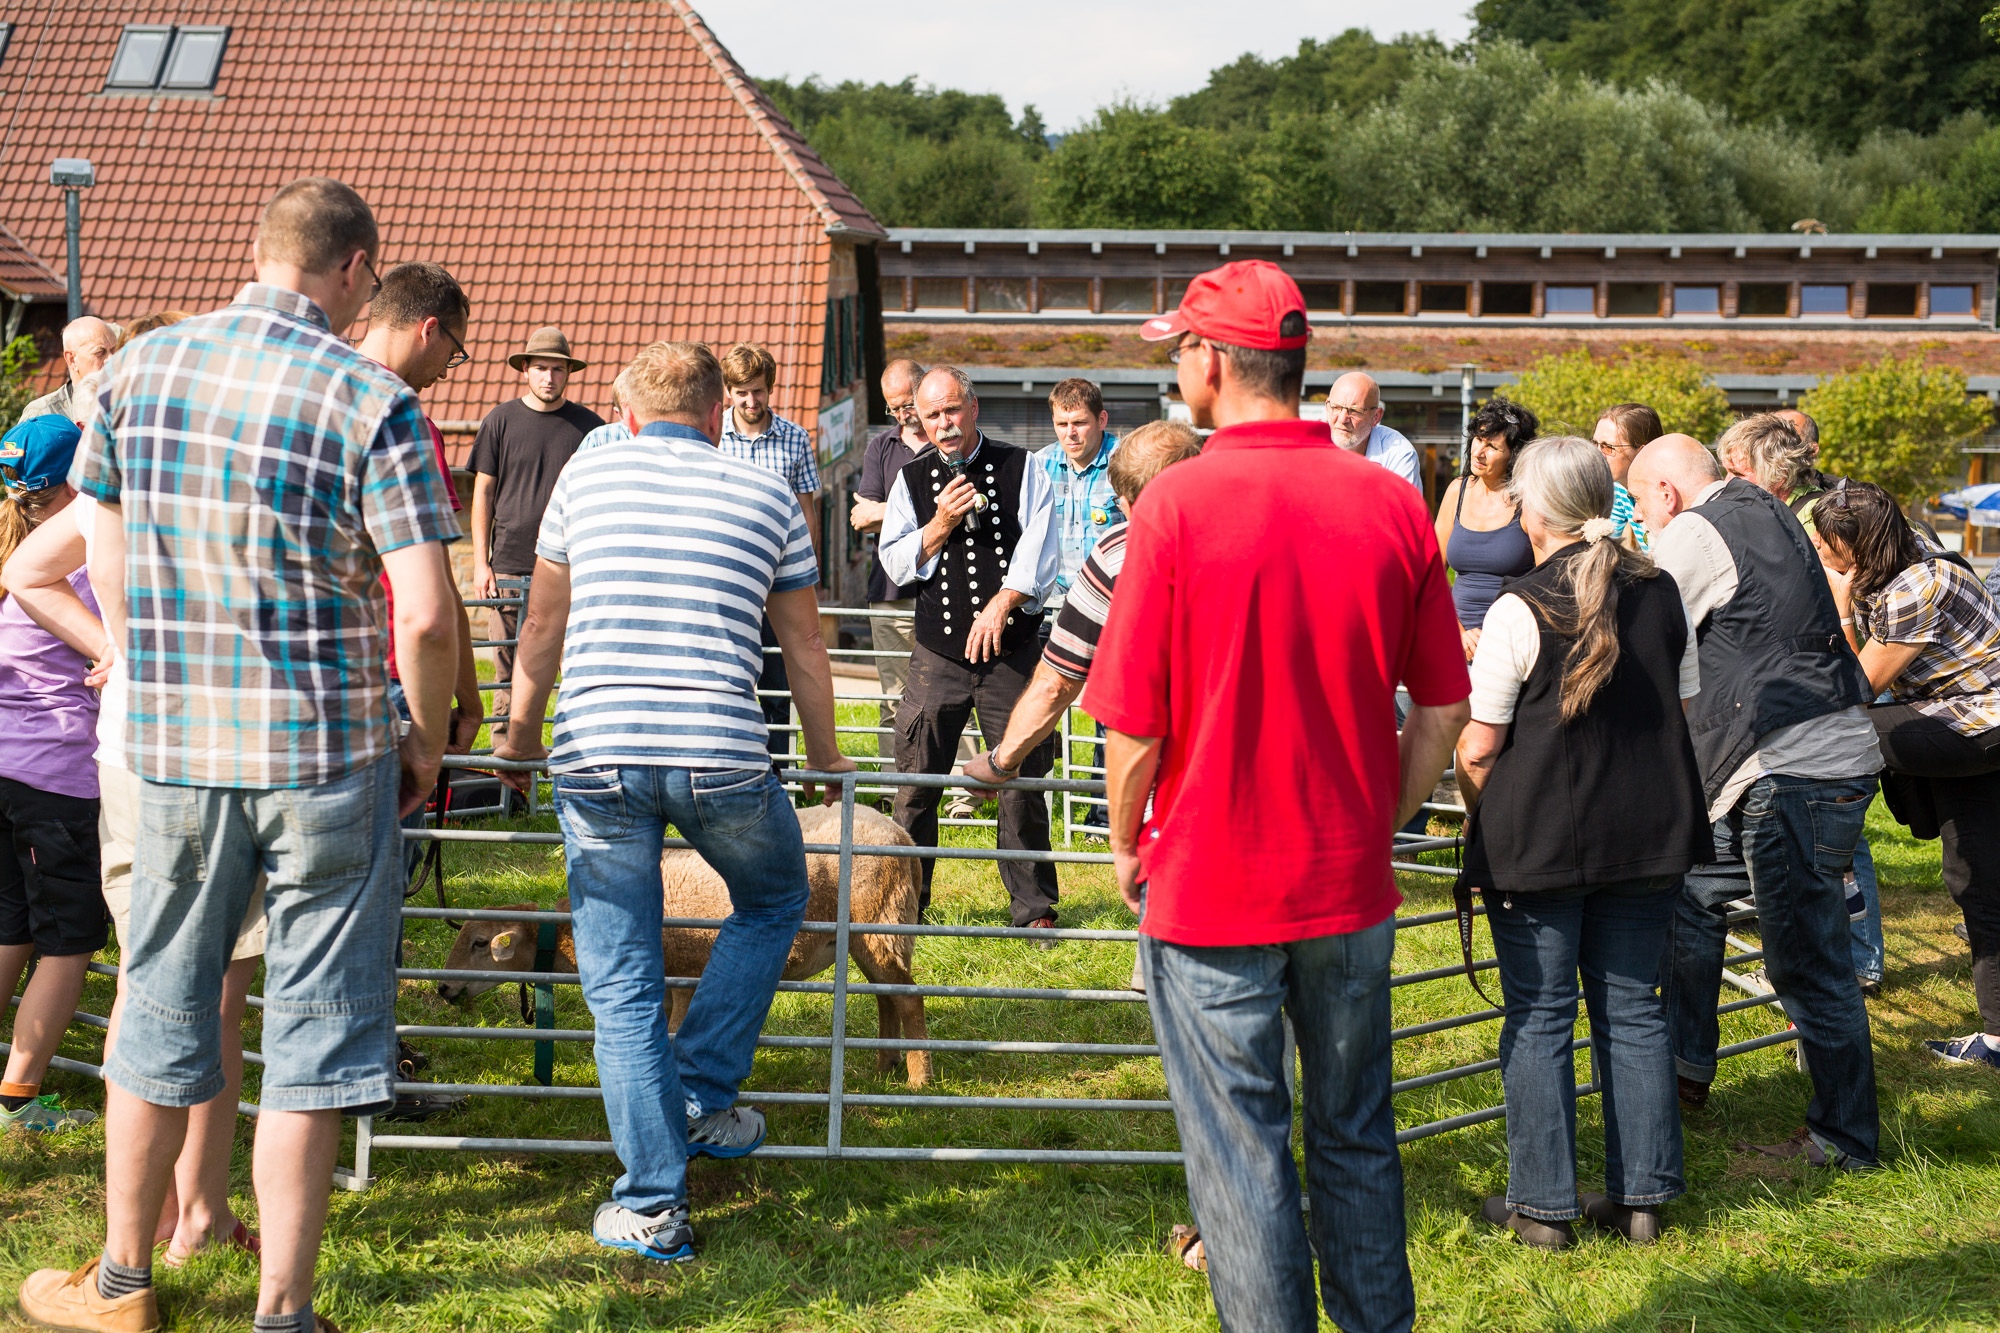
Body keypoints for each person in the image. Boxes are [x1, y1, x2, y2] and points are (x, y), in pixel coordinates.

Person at [16, 176, 463, 1333]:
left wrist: (145, 665)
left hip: (171, 748)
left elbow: (101, 568)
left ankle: (120, 1280)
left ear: (258, 252)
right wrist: (422, 738)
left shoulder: (131, 375)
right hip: (326, 754)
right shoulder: (372, 399)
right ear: (358, 268)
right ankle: (283, 1309)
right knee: (312, 1028)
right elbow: (421, 610)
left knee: (158, 1003)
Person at [1093, 260, 1469, 1333]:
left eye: (1177, 353)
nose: (1175, 370)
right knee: (1354, 1131)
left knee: (1238, 1147)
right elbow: (1440, 713)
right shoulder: (1392, 501)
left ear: (1211, 363)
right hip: (1345, 882)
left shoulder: (1174, 502)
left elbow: (1133, 728)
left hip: (1208, 881)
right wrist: (1373, 819)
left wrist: (1123, 842)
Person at [493, 340, 855, 1262]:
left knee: (622, 986)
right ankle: (699, 1090)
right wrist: (823, 754)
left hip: (596, 754)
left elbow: (541, 623)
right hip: (722, 751)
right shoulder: (769, 493)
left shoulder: (585, 479)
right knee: (775, 899)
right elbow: (806, 647)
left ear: (623, 415)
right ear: (712, 414)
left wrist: (518, 737)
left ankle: (653, 1201)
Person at [4, 332, 268, 1266]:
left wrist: (106, 647)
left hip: (135, 753)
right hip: (224, 748)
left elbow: (26, 571)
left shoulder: (117, 477)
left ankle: (157, 1226)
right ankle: (182, 1213)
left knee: (151, 986)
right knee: (213, 994)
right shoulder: (234, 469)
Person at [1454, 436, 1709, 1249]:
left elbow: (1477, 747)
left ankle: (1542, 1206)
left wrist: (1478, 809)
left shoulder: (1516, 607)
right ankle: (1641, 1202)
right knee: (1634, 1011)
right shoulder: (1661, 589)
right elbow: (1687, 702)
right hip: (1649, 834)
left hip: (1544, 843)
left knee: (1538, 1015)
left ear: (1533, 507)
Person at [1627, 427, 1883, 1170]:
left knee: (1807, 959)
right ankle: (1685, 1070)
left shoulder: (1696, 530)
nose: (1642, 523)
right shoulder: (1765, 507)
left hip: (1789, 769)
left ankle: (1842, 1140)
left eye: (1642, 508)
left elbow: (1646, 630)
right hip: (1796, 761)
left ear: (1667, 493)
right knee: (1694, 894)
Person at [1813, 480, 2000, 1071]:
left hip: (1975, 722)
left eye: (1827, 546)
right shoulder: (1904, 549)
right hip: (1958, 714)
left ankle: (1832, 867)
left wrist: (1840, 606)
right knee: (1974, 874)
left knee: (1837, 735)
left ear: (1862, 548)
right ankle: (1998, 1040)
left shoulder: (1916, 586)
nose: (1819, 552)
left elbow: (1855, 688)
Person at [878, 366, 1061, 932]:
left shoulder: (1023, 466)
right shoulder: (911, 479)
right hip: (938, 655)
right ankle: (909, 906)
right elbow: (894, 561)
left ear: (974, 408)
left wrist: (1005, 602)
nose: (943, 424)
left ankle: (1034, 910)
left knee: (1020, 780)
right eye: (932, 415)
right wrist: (939, 523)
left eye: (952, 410)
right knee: (917, 781)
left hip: (1010, 653)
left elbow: (1042, 549)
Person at [1721, 413, 1887, 992]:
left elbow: (1855, 671)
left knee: (1836, 853)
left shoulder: (1829, 508)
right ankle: (1827, 963)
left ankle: (1858, 958)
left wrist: (1840, 605)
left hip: (1825, 715)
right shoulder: (1760, 510)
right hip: (1794, 706)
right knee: (1816, 861)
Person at [0, 416, 105, 1135]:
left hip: (5, 767)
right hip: (58, 779)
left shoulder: (12, 546)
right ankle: (19, 1094)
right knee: (70, 941)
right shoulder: (87, 565)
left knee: (9, 927)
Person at [356, 262, 484, 755]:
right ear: (429, 329)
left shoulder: (307, 395)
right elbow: (438, 589)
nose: (445, 370)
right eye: (453, 352)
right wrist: (469, 702)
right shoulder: (407, 420)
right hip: (392, 667)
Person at [468, 325, 603, 737]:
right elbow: (482, 495)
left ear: (569, 373)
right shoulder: (500, 420)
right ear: (525, 369)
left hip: (570, 571)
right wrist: (480, 563)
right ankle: (506, 771)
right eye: (541, 368)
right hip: (508, 568)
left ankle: (574, 764)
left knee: (576, 671)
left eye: (558, 369)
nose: (549, 377)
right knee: (508, 671)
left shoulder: (590, 429)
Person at [852, 359, 974, 787]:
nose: (903, 414)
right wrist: (915, 512)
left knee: (955, 693)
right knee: (893, 697)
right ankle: (896, 787)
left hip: (945, 588)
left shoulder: (954, 442)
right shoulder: (880, 447)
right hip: (889, 588)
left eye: (907, 404)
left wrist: (888, 511)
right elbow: (860, 518)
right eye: (894, 408)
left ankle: (966, 792)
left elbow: (959, 507)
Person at [718, 343, 822, 765]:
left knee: (778, 689)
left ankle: (776, 780)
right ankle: (729, 774)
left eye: (758, 391)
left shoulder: (795, 438)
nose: (751, 401)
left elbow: (806, 511)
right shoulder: (711, 435)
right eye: (741, 392)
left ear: (770, 389)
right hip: (727, 581)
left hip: (778, 582)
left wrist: (805, 576)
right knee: (728, 684)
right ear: (728, 392)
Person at [1037, 377, 1121, 831]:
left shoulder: (1125, 464)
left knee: (1108, 711)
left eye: (1080, 423)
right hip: (1051, 606)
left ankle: (1102, 814)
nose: (1070, 433)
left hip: (1112, 607)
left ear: (1101, 420)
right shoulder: (1039, 464)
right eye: (1061, 424)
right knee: (1046, 702)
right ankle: (1043, 806)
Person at [1435, 400, 1539, 661]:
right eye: (1478, 440)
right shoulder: (1456, 490)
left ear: (1514, 455)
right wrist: (1458, 632)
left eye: (1492, 446)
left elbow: (1546, 583)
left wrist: (1496, 638)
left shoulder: (1530, 502)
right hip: (1450, 636)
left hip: (1512, 643)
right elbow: (1431, 574)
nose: (1478, 452)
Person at [1326, 370, 1422, 489]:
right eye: (1336, 407)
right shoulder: (1311, 447)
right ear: (1327, 406)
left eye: (1355, 411)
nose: (1342, 419)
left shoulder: (1399, 453)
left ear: (1376, 417)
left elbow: (1400, 507)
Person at [17, 317, 116, 426]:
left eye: (114, 350)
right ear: (72, 359)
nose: (111, 359)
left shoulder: (128, 401)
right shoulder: (42, 415)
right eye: (100, 353)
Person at [1592, 402, 1662, 548]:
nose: (1597, 454)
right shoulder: (1619, 489)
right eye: (1595, 444)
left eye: (1607, 447)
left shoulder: (1666, 495)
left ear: (1642, 451)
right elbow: (1605, 544)